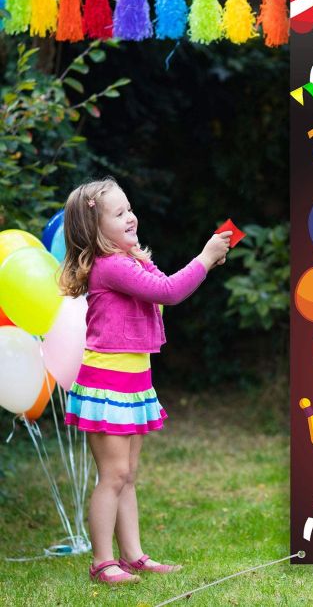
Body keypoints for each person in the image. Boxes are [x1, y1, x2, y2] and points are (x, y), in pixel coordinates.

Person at [59, 177, 231, 584]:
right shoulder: (111, 266)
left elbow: (159, 283)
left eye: (130, 209)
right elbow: (168, 291)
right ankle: (103, 561)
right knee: (114, 476)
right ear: (94, 231)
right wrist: (204, 258)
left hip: (132, 382)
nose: (131, 217)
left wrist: (140, 252)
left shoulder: (128, 260)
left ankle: (133, 555)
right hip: (108, 385)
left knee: (128, 475)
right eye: (118, 214)